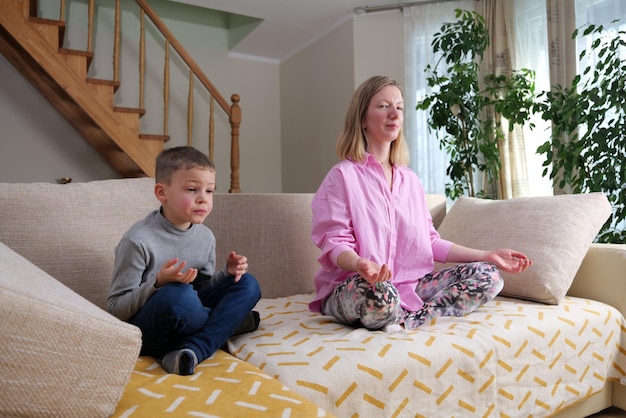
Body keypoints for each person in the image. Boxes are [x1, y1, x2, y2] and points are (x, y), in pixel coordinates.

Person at [309, 75, 531, 331]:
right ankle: (392, 313)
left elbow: (430, 241)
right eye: (383, 106)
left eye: (399, 107)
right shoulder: (342, 176)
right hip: (357, 287)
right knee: (381, 294)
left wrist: (486, 255)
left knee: (489, 275)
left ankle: (409, 320)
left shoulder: (410, 181)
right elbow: (334, 242)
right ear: (362, 118)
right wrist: (360, 264)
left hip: (409, 286)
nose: (394, 114)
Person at [108, 146, 261, 375]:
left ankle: (194, 349)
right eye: (192, 189)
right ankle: (232, 323)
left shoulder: (205, 236)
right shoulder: (137, 240)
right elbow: (115, 310)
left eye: (209, 191)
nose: (203, 199)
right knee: (178, 296)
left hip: (188, 311)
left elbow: (202, 291)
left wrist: (226, 275)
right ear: (162, 193)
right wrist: (158, 282)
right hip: (151, 326)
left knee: (248, 284)